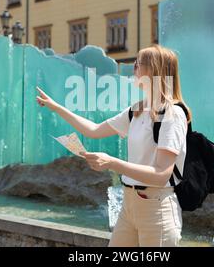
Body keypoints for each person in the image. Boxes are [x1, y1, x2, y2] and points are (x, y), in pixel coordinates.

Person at [36, 45, 192, 247]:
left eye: (138, 63)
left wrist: (112, 162)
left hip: (157, 208)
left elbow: (161, 173)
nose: (133, 67)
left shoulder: (172, 114)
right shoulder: (137, 110)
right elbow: (93, 130)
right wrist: (56, 107)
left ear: (154, 70)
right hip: (129, 205)